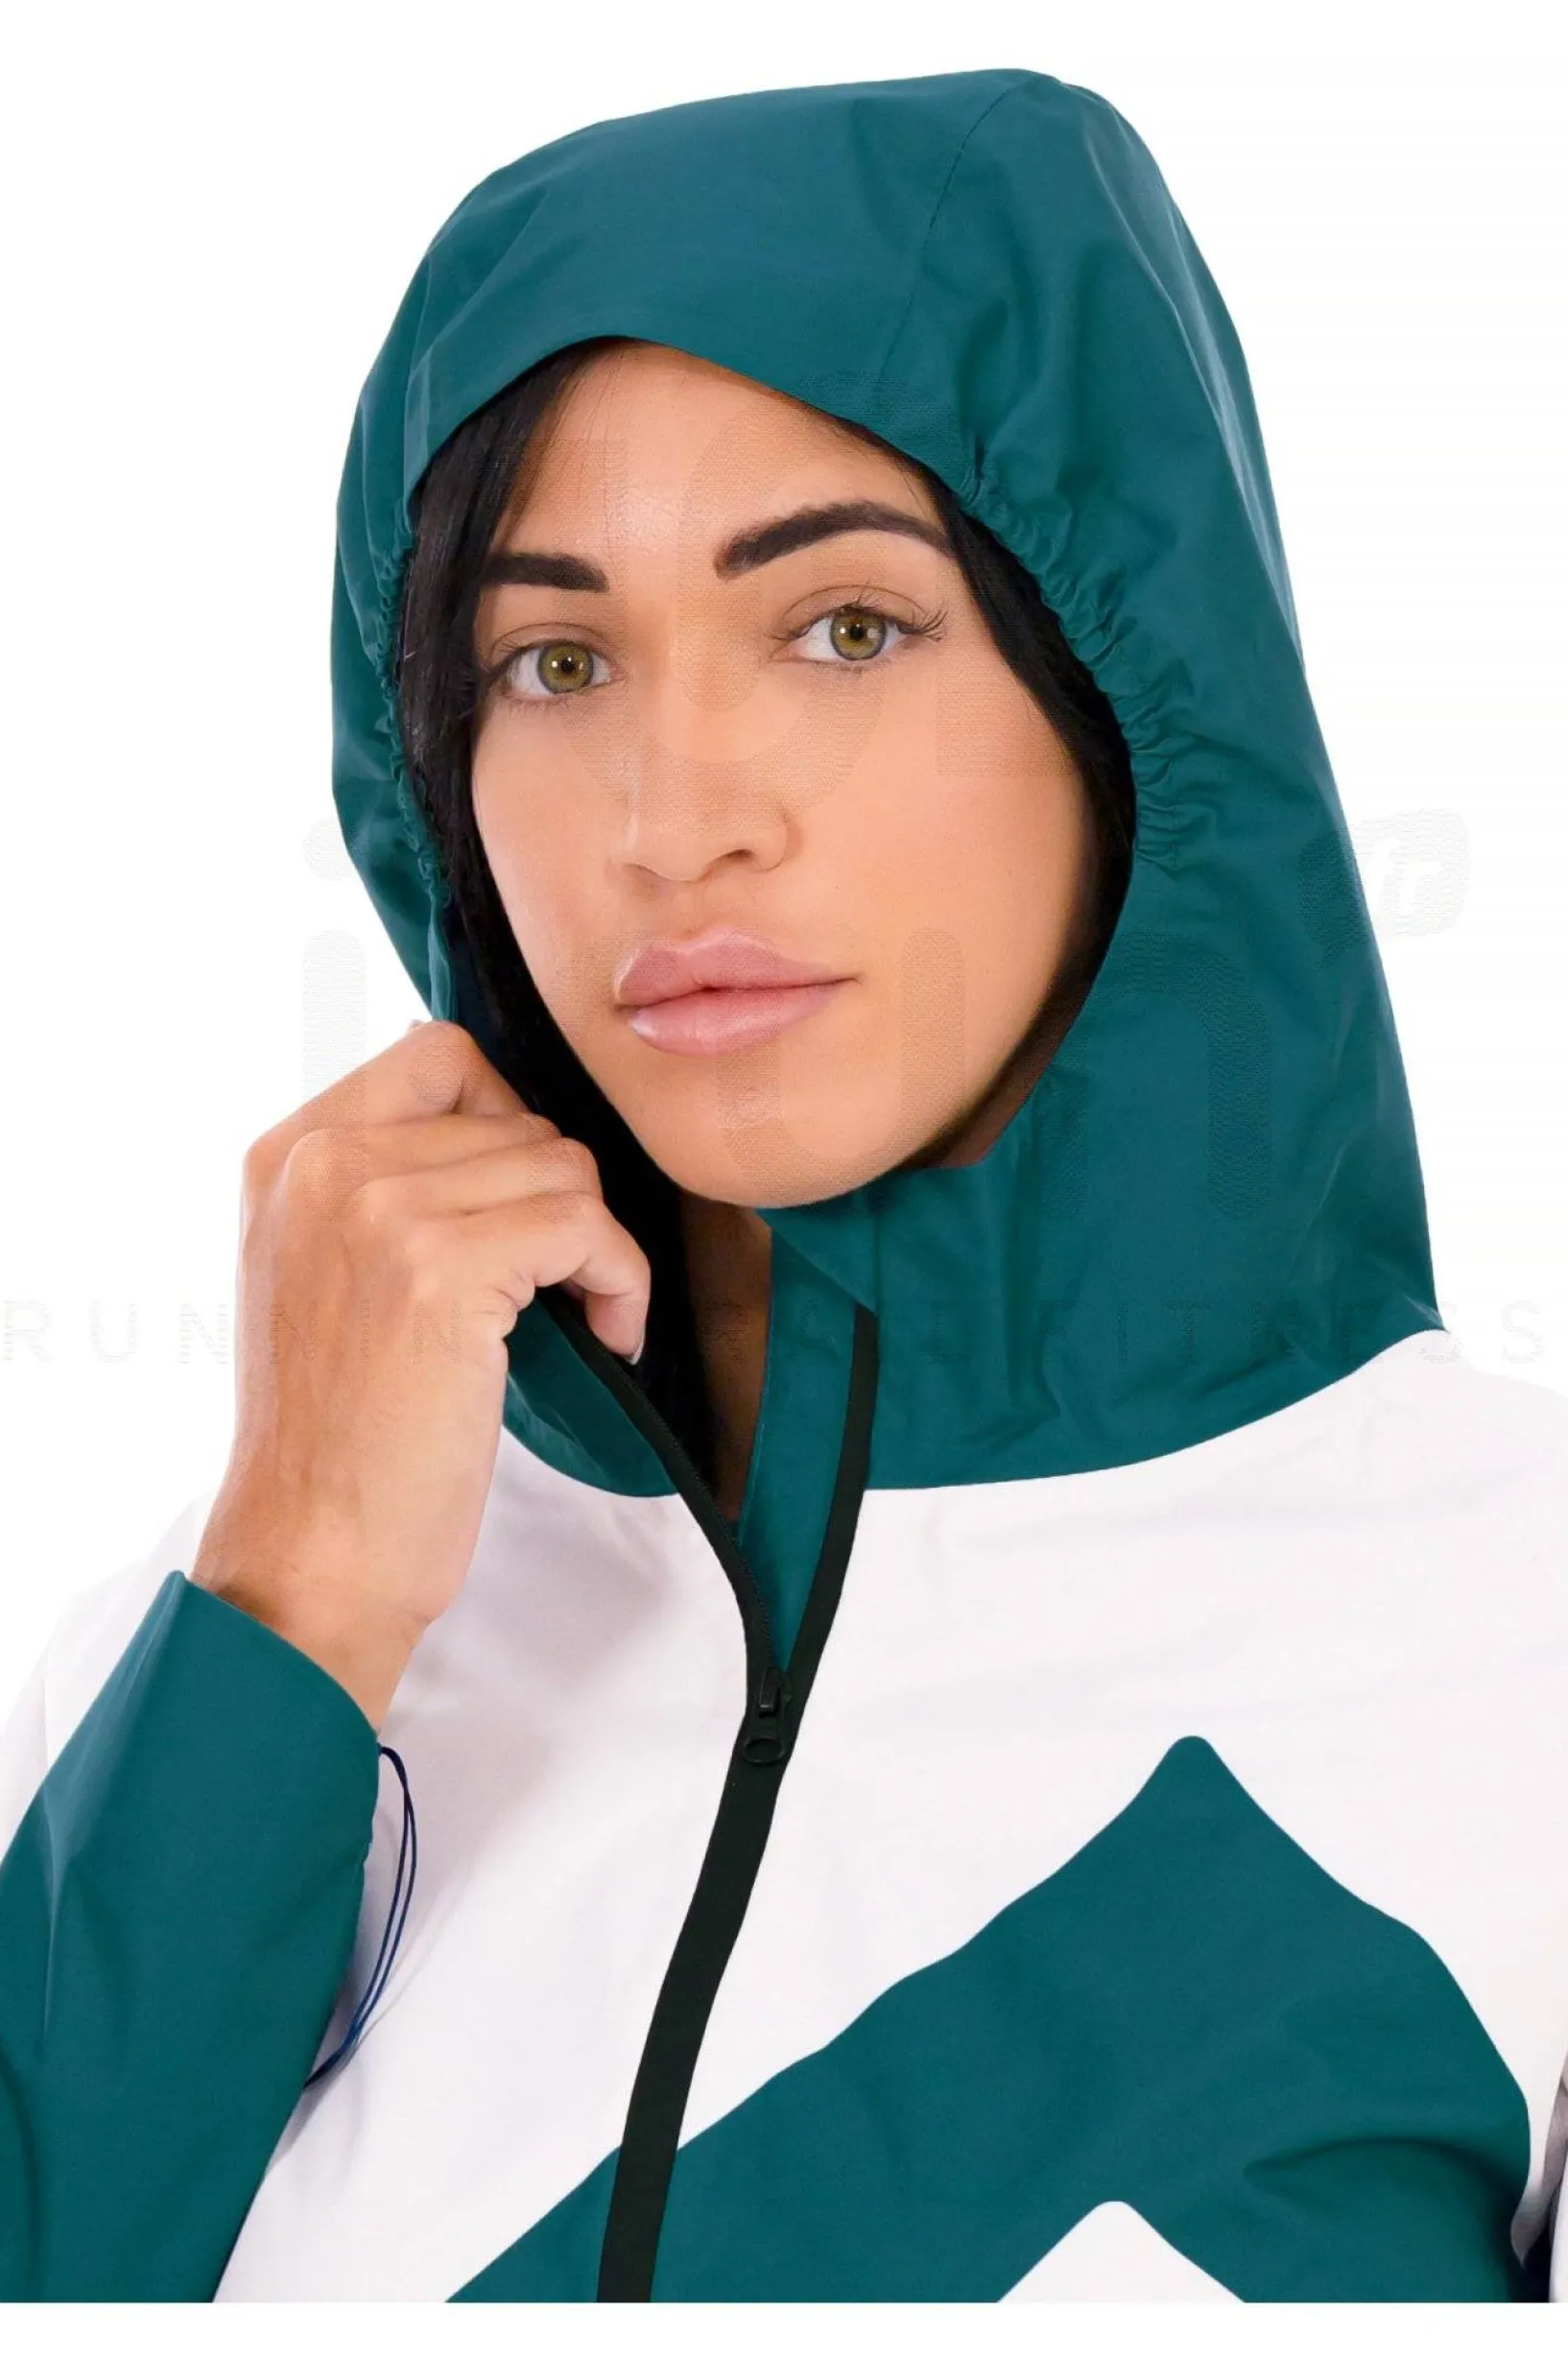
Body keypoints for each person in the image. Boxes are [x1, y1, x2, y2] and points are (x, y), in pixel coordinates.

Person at [0, 63, 1564, 2304]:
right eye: (552, 659)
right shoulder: (203, 1670)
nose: (673, 816)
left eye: (844, 626)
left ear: (1129, 684)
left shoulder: (1511, 1641)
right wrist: (292, 1607)